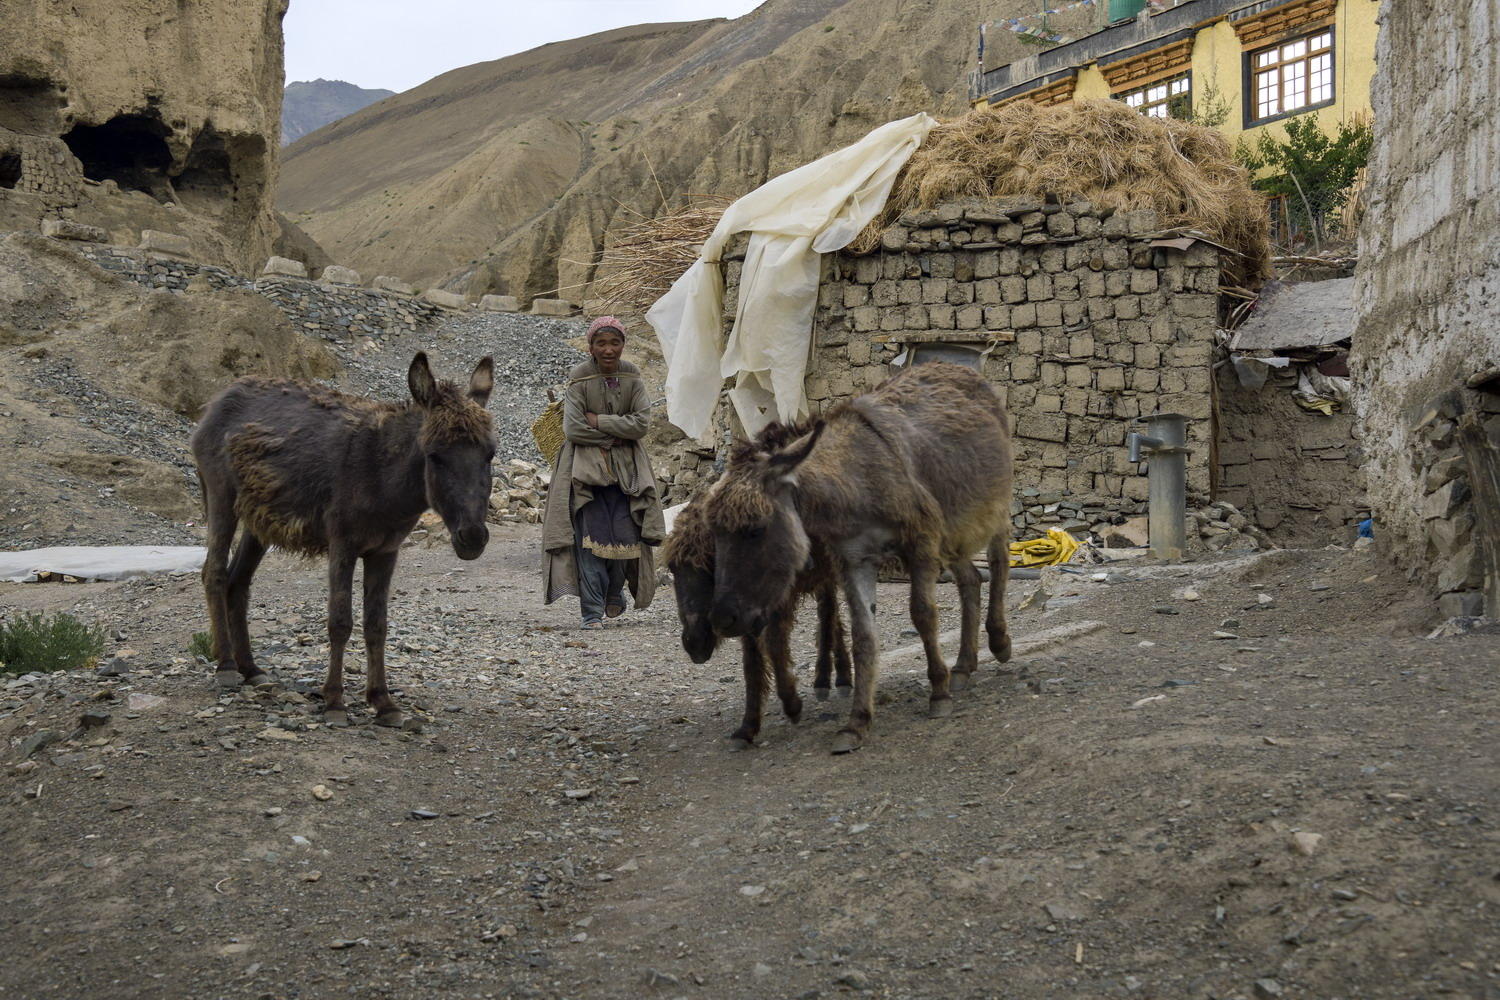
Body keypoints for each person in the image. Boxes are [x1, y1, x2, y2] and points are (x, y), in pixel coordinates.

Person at [541, 316, 665, 628]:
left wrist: (599, 422)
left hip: (627, 471)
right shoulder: (580, 377)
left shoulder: (632, 376)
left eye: (615, 343)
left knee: (625, 537)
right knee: (589, 539)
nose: (609, 350)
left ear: (623, 345)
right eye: (601, 343)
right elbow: (573, 429)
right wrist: (617, 434)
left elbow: (642, 424)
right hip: (585, 471)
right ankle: (591, 612)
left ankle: (614, 593)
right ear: (591, 347)